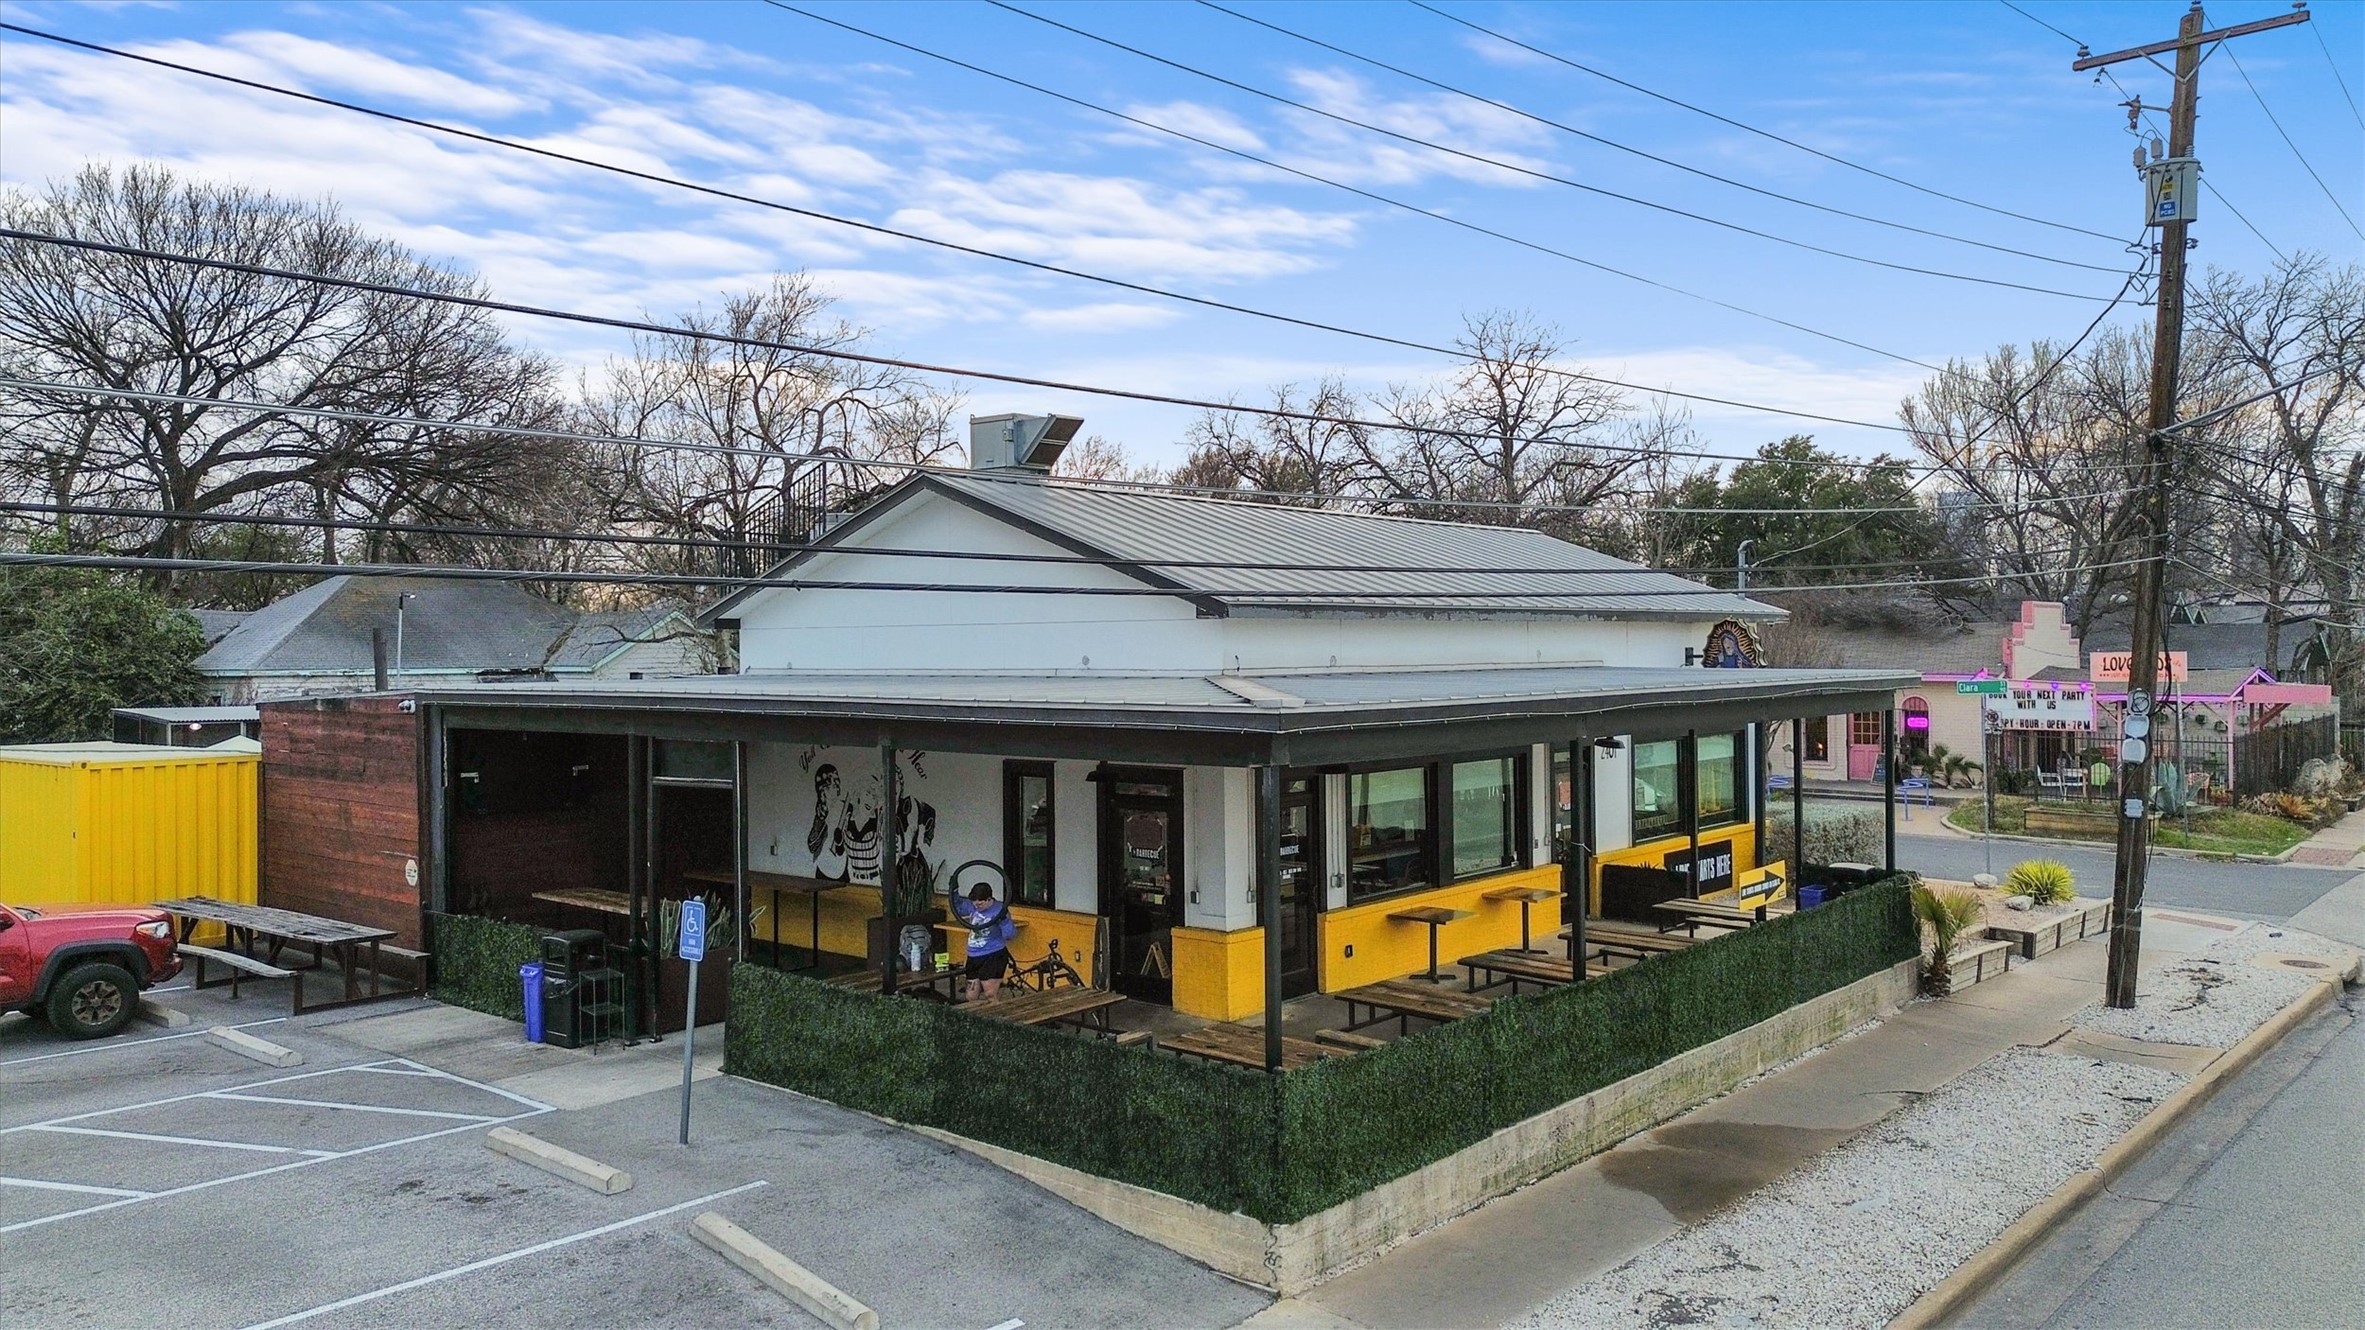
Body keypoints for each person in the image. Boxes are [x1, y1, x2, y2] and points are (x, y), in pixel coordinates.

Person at [949, 883, 1017, 1002]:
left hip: (993, 954)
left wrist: (1004, 921)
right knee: (971, 995)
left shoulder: (1000, 909)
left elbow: (1010, 935)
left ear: (989, 899)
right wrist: (953, 891)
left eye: (980, 904)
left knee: (990, 994)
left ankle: (995, 1011)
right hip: (974, 955)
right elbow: (958, 907)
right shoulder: (973, 906)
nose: (977, 906)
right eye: (974, 903)